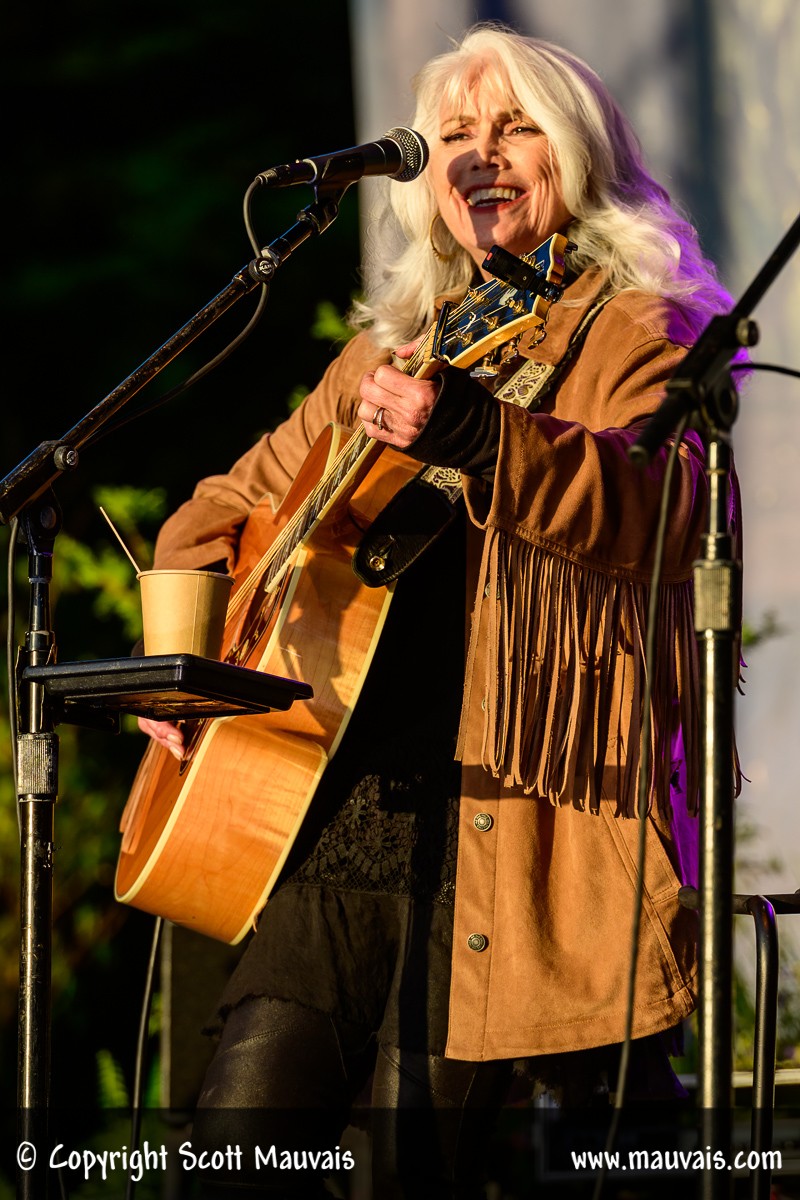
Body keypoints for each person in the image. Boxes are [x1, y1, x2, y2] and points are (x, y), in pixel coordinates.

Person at [137, 22, 739, 1199]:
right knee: (229, 1164)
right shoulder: (396, 348)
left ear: (575, 151)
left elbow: (661, 505)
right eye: (455, 133)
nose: (478, 154)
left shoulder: (640, 325)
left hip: (502, 824)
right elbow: (221, 509)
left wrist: (475, 432)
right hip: (335, 813)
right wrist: (185, 663)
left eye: (515, 128)